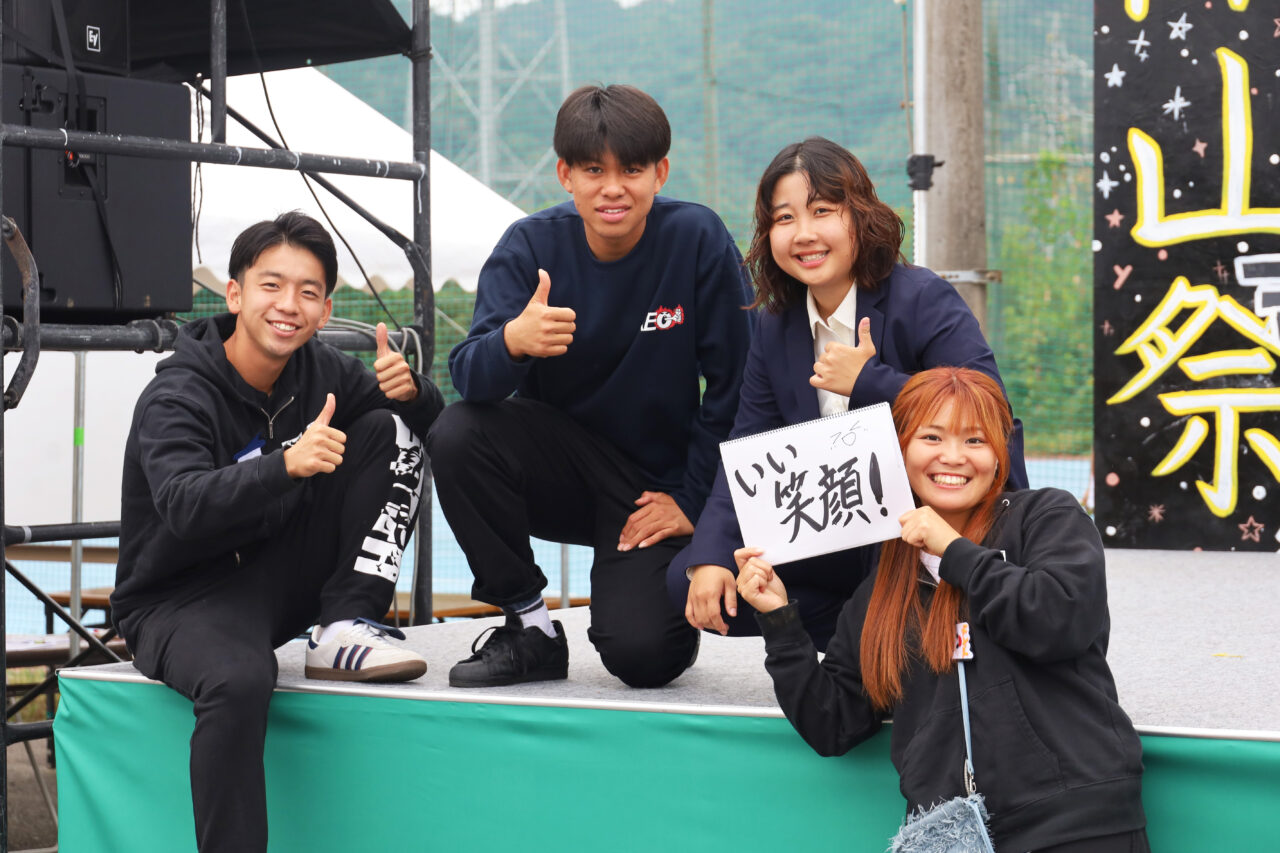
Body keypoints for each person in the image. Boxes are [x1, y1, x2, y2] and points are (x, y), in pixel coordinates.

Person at [112, 211, 445, 853]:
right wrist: (283, 466)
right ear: (234, 293)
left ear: (324, 310)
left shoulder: (322, 372)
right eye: (271, 285)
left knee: (391, 428)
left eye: (309, 292)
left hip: (274, 574)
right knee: (240, 681)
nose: (288, 305)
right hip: (176, 600)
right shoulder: (178, 394)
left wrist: (417, 395)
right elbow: (182, 504)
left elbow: (406, 439)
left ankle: (345, 626)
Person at [736, 367, 1148, 853]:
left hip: (1076, 821)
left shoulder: (1047, 517)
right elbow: (834, 722)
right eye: (932, 436)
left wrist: (954, 553)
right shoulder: (883, 585)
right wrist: (779, 620)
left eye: (975, 440)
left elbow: (1058, 618)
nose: (953, 457)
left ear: (1000, 455)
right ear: (900, 449)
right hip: (949, 838)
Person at [426, 84, 753, 689]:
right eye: (593, 170)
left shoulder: (696, 238)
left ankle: (667, 600)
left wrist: (693, 498)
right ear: (565, 175)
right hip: (563, 472)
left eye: (631, 169)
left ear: (660, 173)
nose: (613, 188)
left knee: (643, 658)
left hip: (655, 491)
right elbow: (468, 376)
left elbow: (738, 382)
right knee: (457, 432)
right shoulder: (528, 247)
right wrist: (512, 343)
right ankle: (529, 627)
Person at [669, 136, 1028, 651]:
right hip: (833, 530)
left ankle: (901, 626)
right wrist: (709, 554)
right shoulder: (775, 326)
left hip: (921, 530)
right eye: (785, 218)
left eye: (822, 211)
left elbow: (987, 413)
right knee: (687, 576)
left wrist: (869, 382)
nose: (805, 233)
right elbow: (748, 447)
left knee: (893, 571)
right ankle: (872, 635)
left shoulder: (922, 297)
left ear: (860, 216)